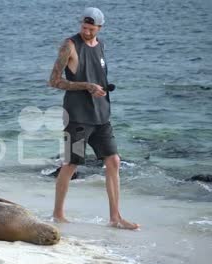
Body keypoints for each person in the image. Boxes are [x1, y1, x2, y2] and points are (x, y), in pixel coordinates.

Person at [48, 7, 139, 230]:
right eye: (84, 27)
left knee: (114, 161)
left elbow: (98, 76)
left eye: (91, 28)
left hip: (101, 115)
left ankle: (115, 218)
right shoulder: (69, 45)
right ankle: (58, 215)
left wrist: (98, 90)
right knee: (71, 164)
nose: (86, 32)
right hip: (77, 116)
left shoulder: (101, 46)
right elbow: (54, 81)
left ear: (100, 27)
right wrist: (86, 86)